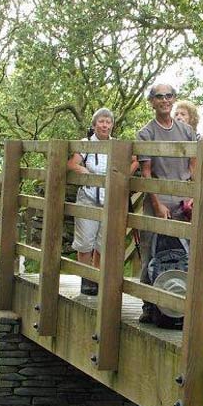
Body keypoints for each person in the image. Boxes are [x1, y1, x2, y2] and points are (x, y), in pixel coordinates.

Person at [136, 84, 196, 323]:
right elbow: (146, 173)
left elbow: (193, 166)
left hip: (184, 201)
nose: (164, 100)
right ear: (152, 102)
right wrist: (158, 204)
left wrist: (193, 193)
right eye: (159, 96)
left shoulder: (187, 131)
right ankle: (149, 305)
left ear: (174, 99)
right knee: (150, 250)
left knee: (186, 253)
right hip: (157, 200)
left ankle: (181, 308)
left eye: (168, 96)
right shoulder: (146, 133)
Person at [67, 108, 138, 295]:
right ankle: (86, 278)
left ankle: (97, 278)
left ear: (112, 125)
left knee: (102, 242)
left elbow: (135, 161)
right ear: (94, 124)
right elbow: (72, 164)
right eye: (101, 121)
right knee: (85, 241)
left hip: (110, 199)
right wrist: (85, 173)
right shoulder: (87, 144)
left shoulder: (118, 145)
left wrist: (121, 178)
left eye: (108, 122)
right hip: (88, 198)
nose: (105, 125)